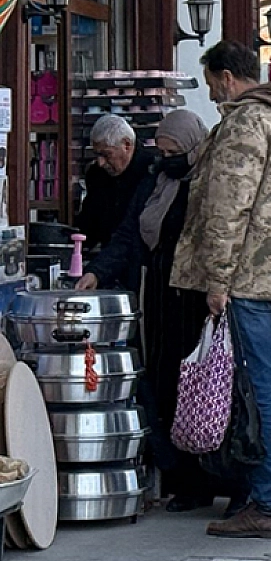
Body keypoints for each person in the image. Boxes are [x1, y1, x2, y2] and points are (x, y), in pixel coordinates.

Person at [172, 41, 271, 540]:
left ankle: (268, 503)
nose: (211, 93)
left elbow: (228, 207)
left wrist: (218, 279)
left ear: (225, 77)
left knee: (258, 387)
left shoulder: (245, 124)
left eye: (210, 83)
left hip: (252, 276)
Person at [78, 110, 222, 510]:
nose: (166, 157)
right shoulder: (157, 183)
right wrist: (96, 271)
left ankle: (216, 476)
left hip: (198, 301)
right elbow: (129, 233)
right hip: (160, 299)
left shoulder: (209, 183)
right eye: (161, 150)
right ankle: (185, 481)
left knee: (204, 389)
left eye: (173, 150)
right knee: (168, 388)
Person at [79, 114, 158, 249]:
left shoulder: (152, 174)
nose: (101, 162)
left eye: (106, 154)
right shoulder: (97, 175)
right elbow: (88, 225)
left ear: (126, 145)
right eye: (97, 155)